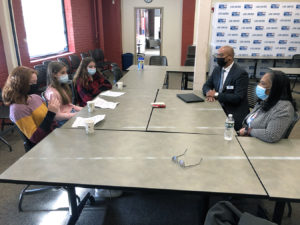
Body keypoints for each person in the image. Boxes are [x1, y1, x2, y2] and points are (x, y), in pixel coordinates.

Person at [2, 66, 59, 146]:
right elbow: (36, 138)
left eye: (36, 82)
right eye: (31, 83)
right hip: (42, 145)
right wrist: (51, 113)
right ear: (20, 85)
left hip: (52, 136)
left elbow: (51, 122)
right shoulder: (17, 109)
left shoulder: (36, 97)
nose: (34, 85)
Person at [238, 71, 296, 143]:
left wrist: (248, 131)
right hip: (248, 138)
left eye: (263, 84)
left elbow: (271, 135)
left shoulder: (284, 108)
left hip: (260, 145)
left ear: (275, 88)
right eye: (260, 82)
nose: (258, 86)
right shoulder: (266, 99)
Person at [202, 46, 249, 131]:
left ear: (230, 58)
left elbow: (237, 97)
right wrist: (209, 93)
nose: (218, 57)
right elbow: (206, 86)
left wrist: (216, 94)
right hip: (217, 106)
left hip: (233, 111)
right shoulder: (217, 70)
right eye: (217, 55)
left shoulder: (241, 74)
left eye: (221, 55)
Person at [45, 61, 82, 127]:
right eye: (62, 73)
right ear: (54, 74)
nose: (66, 74)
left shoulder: (62, 86)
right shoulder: (52, 93)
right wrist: (75, 114)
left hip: (70, 114)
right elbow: (57, 116)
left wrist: (82, 109)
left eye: (66, 72)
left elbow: (69, 105)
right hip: (63, 121)